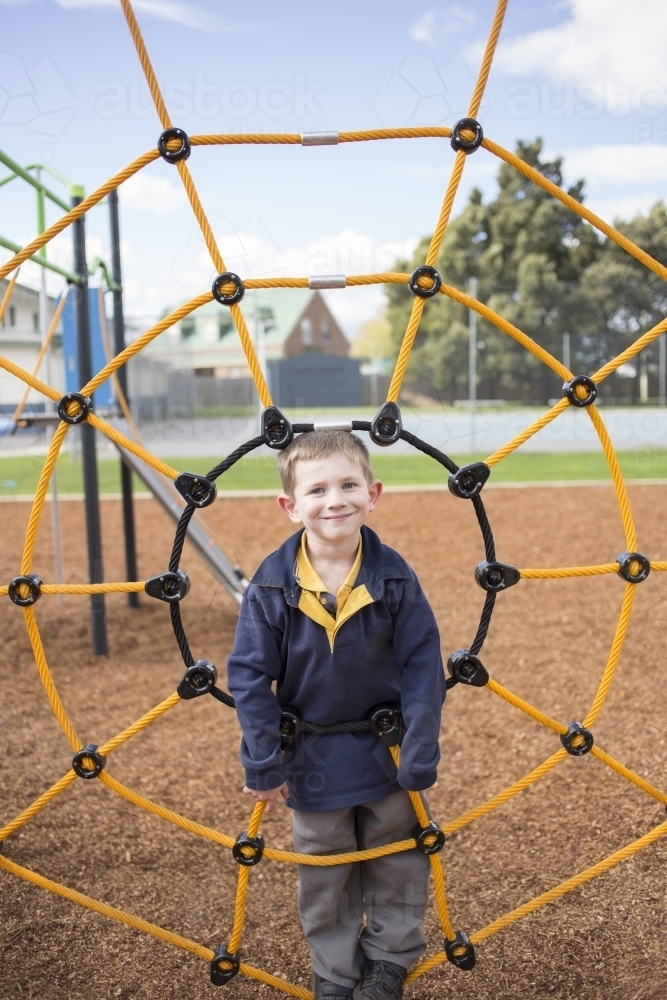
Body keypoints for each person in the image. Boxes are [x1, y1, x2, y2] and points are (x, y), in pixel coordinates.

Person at [227, 429, 446, 1000]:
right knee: (324, 866)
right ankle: (336, 971)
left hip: (386, 747)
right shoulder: (271, 588)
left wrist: (422, 744)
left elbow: (423, 662)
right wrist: (263, 762)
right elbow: (249, 674)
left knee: (398, 854)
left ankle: (390, 959)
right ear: (290, 506)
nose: (335, 500)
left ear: (373, 494)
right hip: (312, 755)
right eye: (317, 489)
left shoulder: (393, 577)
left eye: (349, 485)